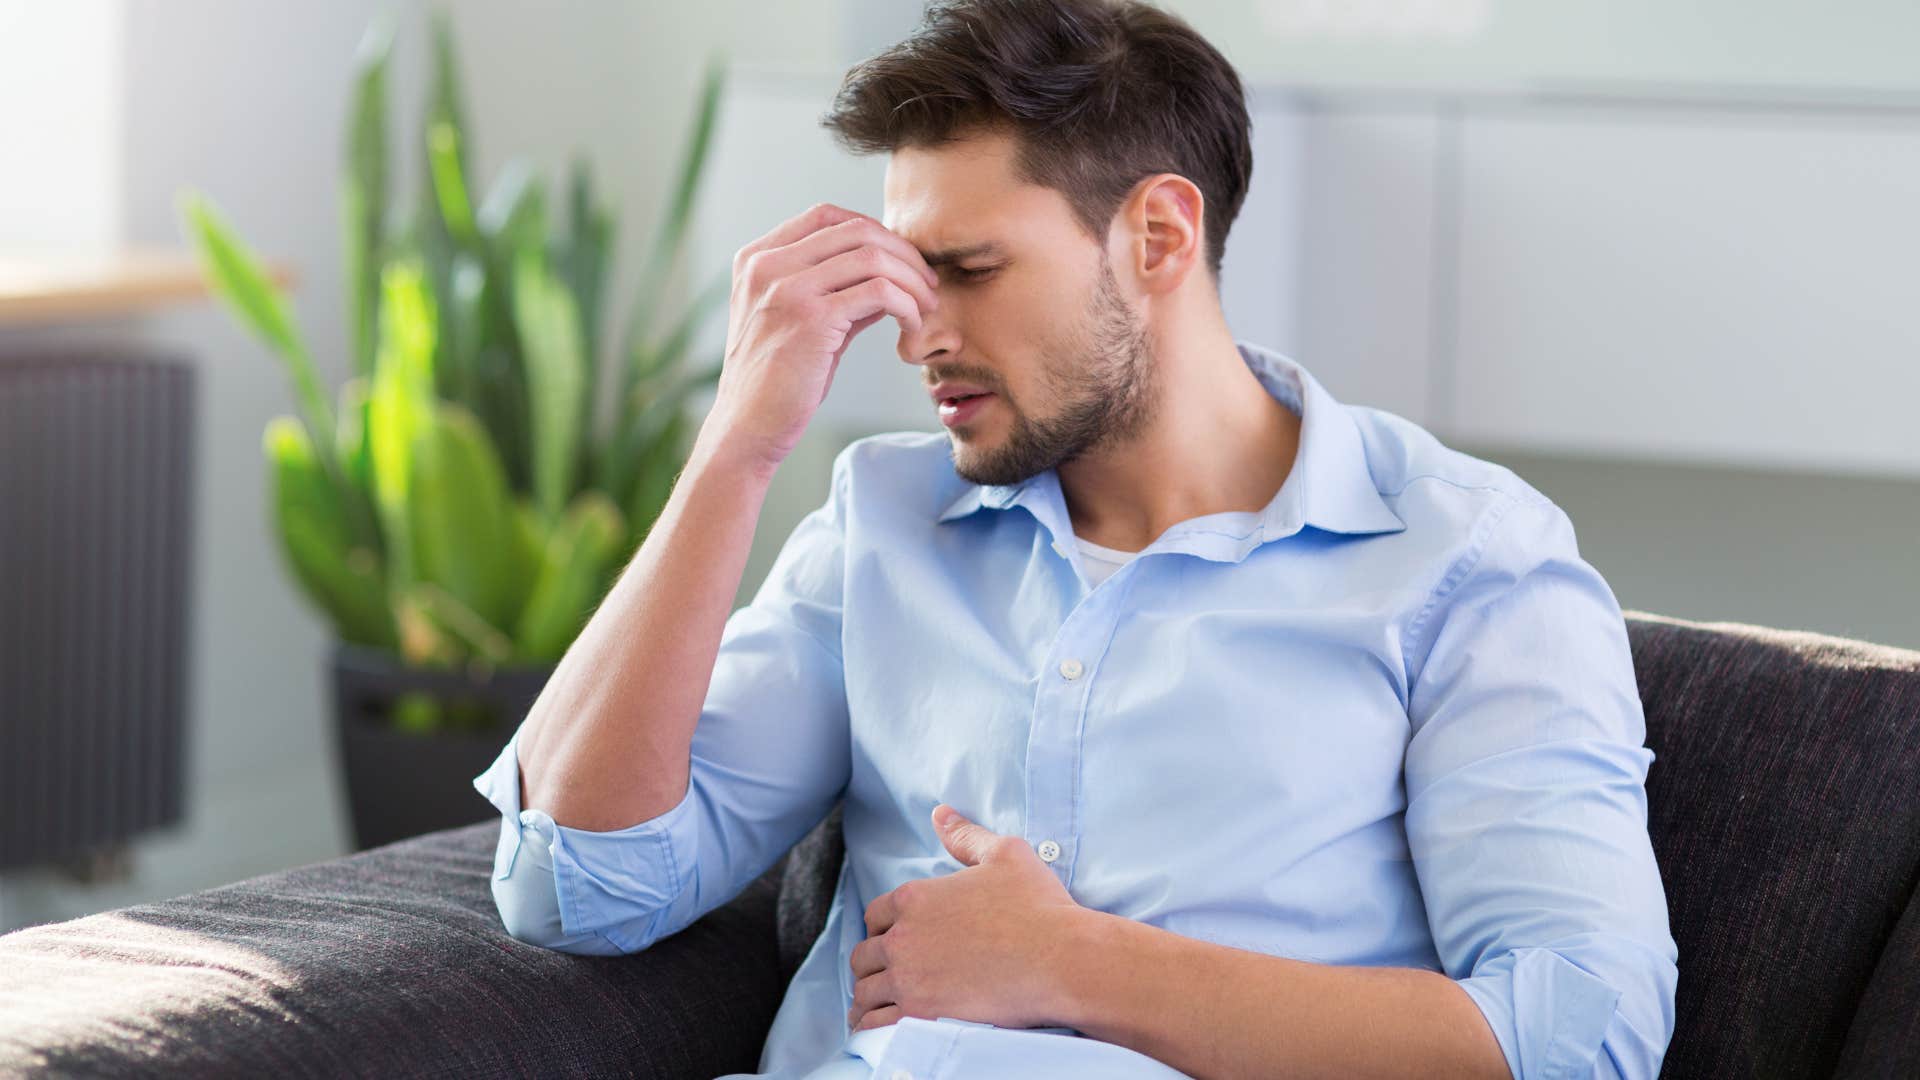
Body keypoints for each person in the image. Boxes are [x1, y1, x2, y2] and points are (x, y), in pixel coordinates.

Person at [473, 1, 1679, 1076]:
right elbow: (576, 888)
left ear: (1157, 237)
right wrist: (733, 452)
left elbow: (1580, 1034)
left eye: (969, 268)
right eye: (907, 272)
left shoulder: (1464, 564)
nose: (916, 335)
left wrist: (1074, 968)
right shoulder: (886, 524)